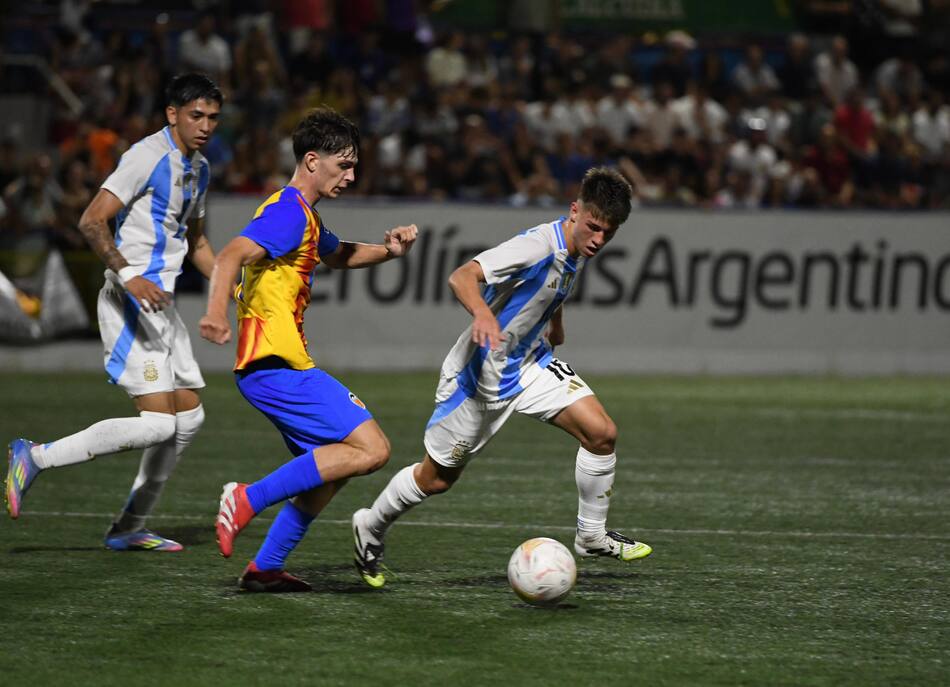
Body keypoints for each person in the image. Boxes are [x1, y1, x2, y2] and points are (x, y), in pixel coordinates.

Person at [351, 167, 652, 589]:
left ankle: (591, 534)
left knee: (602, 433)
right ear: (574, 211)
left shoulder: (578, 246)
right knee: (436, 479)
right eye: (594, 227)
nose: (599, 239)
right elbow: (462, 276)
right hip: (479, 379)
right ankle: (371, 524)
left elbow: (553, 285)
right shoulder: (534, 246)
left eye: (609, 232)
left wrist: (556, 322)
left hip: (529, 363)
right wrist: (482, 314)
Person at [199, 108, 417, 592]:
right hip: (276, 365)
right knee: (373, 448)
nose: (352, 175)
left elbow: (339, 254)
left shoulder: (306, 218)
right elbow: (232, 254)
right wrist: (216, 312)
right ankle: (246, 498)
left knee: (327, 474)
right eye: (344, 165)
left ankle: (265, 569)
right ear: (312, 161)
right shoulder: (287, 213)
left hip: (273, 366)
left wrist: (391, 251)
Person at [5, 73, 223, 552]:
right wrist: (130, 276)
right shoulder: (146, 156)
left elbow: (199, 242)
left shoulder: (199, 169)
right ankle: (36, 457)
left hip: (160, 306)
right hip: (129, 301)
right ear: (172, 114)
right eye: (196, 115)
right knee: (159, 424)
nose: (205, 125)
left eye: (212, 117)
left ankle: (129, 527)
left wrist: (234, 288)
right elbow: (91, 220)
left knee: (188, 419)